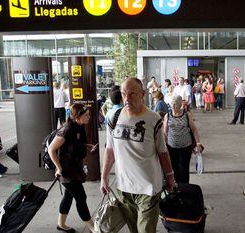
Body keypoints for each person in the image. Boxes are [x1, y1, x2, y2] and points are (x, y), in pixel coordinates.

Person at [101, 78, 175, 233]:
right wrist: (104, 176)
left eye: (132, 94)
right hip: (124, 189)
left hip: (148, 189)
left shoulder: (153, 119)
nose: (127, 98)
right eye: (123, 94)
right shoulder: (113, 118)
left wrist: (170, 176)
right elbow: (110, 150)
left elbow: (162, 151)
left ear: (142, 94)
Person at [48, 103, 95, 233]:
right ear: (77, 117)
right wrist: (58, 168)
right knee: (81, 197)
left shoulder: (79, 127)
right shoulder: (66, 130)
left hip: (75, 169)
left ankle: (61, 224)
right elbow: (51, 149)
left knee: (68, 196)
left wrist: (85, 145)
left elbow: (73, 144)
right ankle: (92, 227)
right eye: (86, 115)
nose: (89, 117)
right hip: (66, 171)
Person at [163, 95, 203, 183]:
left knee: (184, 169)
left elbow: (194, 129)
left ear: (180, 105)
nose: (173, 107)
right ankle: (177, 188)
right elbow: (165, 132)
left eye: (176, 105)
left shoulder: (186, 115)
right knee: (174, 169)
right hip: (171, 147)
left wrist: (198, 143)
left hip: (185, 147)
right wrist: (163, 146)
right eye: (172, 104)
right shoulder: (167, 115)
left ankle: (185, 188)